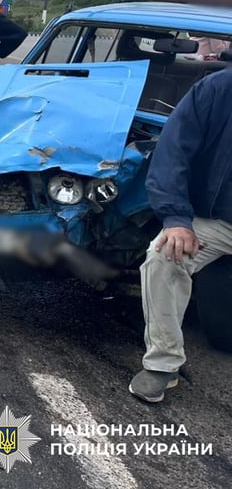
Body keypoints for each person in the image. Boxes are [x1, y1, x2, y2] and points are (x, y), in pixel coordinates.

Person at [130, 67, 232, 403]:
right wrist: (176, 219)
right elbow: (172, 154)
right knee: (164, 255)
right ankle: (163, 364)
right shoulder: (216, 89)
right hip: (218, 221)